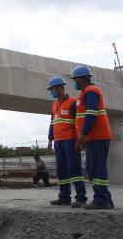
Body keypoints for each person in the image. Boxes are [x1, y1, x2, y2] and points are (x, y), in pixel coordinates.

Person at [71, 65, 114, 209]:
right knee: (93, 168)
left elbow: (91, 114)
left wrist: (83, 135)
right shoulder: (85, 93)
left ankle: (101, 200)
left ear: (82, 79)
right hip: (93, 137)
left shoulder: (90, 91)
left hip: (97, 136)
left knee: (96, 168)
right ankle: (106, 199)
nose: (74, 82)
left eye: (75, 79)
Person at [47, 76, 87, 207]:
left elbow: (79, 122)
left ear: (59, 88)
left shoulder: (73, 102)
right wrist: (50, 140)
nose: (51, 92)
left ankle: (81, 197)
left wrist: (80, 139)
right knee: (62, 170)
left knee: (74, 168)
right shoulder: (54, 105)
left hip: (70, 140)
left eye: (52, 89)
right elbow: (52, 124)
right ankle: (64, 197)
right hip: (58, 142)